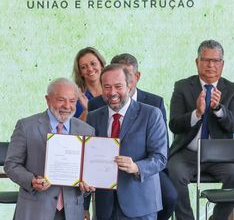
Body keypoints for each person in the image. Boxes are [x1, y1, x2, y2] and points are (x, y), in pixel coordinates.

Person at [86, 53, 177, 220]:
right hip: (104, 206)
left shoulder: (151, 114)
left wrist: (136, 167)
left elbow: (160, 157)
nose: (112, 92)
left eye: (118, 86)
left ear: (129, 85)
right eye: (107, 87)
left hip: (140, 204)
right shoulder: (93, 116)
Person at [168, 39, 234, 220]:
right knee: (173, 173)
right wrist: (196, 113)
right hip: (187, 153)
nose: (210, 65)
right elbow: (174, 124)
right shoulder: (182, 87)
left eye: (215, 61)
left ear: (222, 64)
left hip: (221, 155)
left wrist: (219, 109)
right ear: (197, 63)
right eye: (205, 60)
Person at [4, 78, 95, 220]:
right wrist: (32, 180)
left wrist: (87, 185)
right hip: (35, 210)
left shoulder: (87, 130)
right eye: (61, 100)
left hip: (71, 212)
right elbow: (11, 165)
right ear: (48, 99)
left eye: (72, 101)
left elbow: (89, 171)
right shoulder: (26, 126)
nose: (67, 106)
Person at [72, 47, 106, 121]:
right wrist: (86, 110)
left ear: (101, 65)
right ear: (80, 72)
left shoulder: (112, 92)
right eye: (84, 67)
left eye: (93, 64)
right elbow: (72, 129)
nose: (90, 69)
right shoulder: (75, 97)